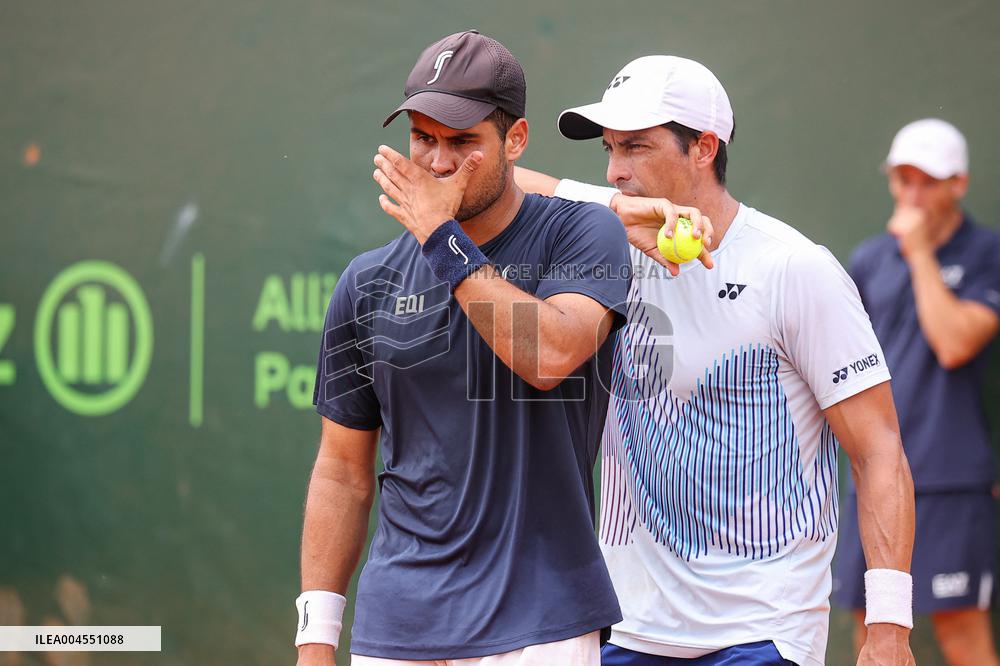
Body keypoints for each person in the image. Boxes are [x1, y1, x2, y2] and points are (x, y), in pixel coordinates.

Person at [514, 55, 916, 666]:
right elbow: (491, 185)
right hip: (622, 628)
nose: (616, 169)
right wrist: (615, 210)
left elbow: (878, 449)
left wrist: (888, 627)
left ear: (703, 148)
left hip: (762, 633)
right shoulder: (607, 245)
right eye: (610, 149)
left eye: (637, 147)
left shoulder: (794, 269)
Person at [295, 30, 631, 666]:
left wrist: (441, 239)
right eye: (423, 138)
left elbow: (549, 355)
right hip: (397, 622)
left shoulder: (585, 233)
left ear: (516, 140)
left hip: (541, 620)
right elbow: (341, 472)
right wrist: (315, 638)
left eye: (462, 141)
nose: (438, 162)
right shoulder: (366, 283)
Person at [833, 119, 1000, 666]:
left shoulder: (988, 252)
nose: (912, 194)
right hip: (874, 476)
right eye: (903, 180)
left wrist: (922, 253)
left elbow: (955, 343)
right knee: (872, 630)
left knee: (961, 632)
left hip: (953, 480)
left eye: (928, 181)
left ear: (959, 184)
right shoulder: (869, 260)